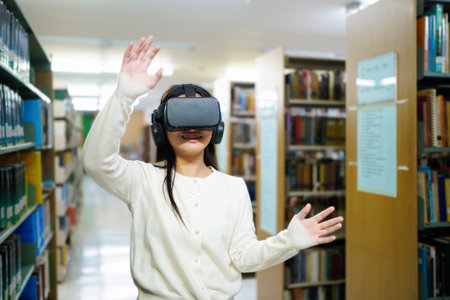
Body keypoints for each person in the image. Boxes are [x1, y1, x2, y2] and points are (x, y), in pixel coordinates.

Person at [82, 35, 344, 300]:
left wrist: (289, 241)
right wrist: (124, 95)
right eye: (181, 116)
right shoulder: (143, 181)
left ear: (216, 128)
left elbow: (242, 257)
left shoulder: (233, 188)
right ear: (161, 130)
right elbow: (95, 161)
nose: (192, 128)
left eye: (201, 115)